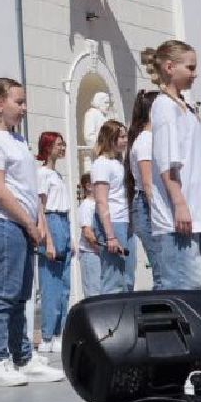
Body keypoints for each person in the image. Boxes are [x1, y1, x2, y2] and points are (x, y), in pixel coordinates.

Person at [0, 79, 64, 387]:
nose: (24, 108)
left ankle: (22, 357)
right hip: (3, 223)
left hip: (24, 225)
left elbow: (28, 188)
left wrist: (39, 221)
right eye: (19, 102)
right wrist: (27, 222)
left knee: (22, 295)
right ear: (0, 103)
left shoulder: (17, 139)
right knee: (3, 294)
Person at [147, 40, 201, 290]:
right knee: (185, 290)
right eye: (190, 68)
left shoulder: (184, 107)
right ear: (169, 67)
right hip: (178, 217)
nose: (194, 73)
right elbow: (168, 163)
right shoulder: (164, 107)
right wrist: (179, 204)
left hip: (196, 213)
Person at [35, 132, 75, 356]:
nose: (63, 147)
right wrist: (48, 239)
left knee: (64, 284)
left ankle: (60, 332)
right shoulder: (42, 174)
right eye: (59, 144)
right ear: (49, 147)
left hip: (63, 220)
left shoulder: (57, 174)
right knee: (51, 284)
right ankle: (48, 334)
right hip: (51, 221)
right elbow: (40, 207)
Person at [88, 120, 130, 293]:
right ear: (110, 139)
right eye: (121, 137)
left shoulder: (118, 163)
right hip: (112, 222)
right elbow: (101, 201)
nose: (125, 140)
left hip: (123, 220)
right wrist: (110, 236)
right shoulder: (101, 164)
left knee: (126, 277)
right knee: (113, 279)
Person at [126, 87, 161, 287]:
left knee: (162, 268)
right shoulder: (146, 140)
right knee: (161, 270)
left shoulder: (147, 139)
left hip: (147, 206)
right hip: (147, 207)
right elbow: (148, 183)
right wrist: (158, 211)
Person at [74, 174, 100, 299]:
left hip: (97, 255)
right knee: (93, 294)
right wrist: (100, 249)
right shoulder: (86, 206)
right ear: (88, 186)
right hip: (91, 254)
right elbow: (88, 233)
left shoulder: (97, 204)